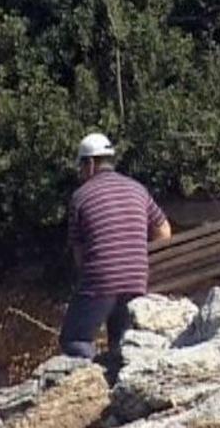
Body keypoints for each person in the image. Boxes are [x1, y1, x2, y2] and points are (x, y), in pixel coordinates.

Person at [61, 133, 172, 358]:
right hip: (136, 280)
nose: (81, 174)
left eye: (81, 167)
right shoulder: (138, 189)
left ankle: (90, 380)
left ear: (90, 164)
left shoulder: (80, 197)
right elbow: (164, 231)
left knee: (74, 338)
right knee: (120, 344)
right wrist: (134, 258)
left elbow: (79, 255)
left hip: (101, 280)